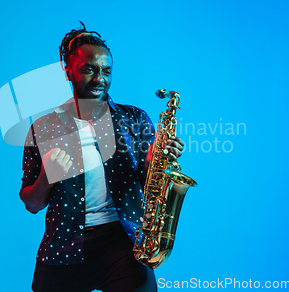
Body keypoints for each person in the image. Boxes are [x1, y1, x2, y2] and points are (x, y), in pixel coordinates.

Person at [20, 22, 185, 292]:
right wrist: (47, 177)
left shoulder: (134, 119)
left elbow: (150, 184)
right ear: (67, 71)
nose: (100, 79)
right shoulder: (43, 128)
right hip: (65, 244)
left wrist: (155, 162)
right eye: (88, 70)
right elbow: (32, 203)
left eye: (106, 71)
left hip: (122, 242)